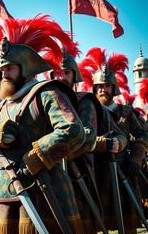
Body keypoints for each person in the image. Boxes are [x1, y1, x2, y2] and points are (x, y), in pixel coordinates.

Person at [0, 14, 86, 233]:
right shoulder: (0, 106)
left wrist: (35, 157)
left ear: (25, 67)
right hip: (2, 192)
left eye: (10, 68)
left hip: (44, 190)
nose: (4, 74)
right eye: (2, 69)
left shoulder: (46, 93)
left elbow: (73, 130)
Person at [49, 47, 127, 233]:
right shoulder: (43, 100)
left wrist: (116, 144)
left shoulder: (85, 101)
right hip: (50, 175)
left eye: (66, 72)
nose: (61, 77)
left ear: (74, 76)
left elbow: (118, 135)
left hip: (81, 174)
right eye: (57, 73)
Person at [80, 47, 148, 233]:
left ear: (113, 87)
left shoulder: (126, 112)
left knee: (126, 224)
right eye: (99, 86)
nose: (103, 89)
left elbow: (143, 134)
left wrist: (136, 158)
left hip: (123, 169)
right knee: (96, 222)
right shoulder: (88, 112)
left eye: (107, 86)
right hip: (95, 171)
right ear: (94, 88)